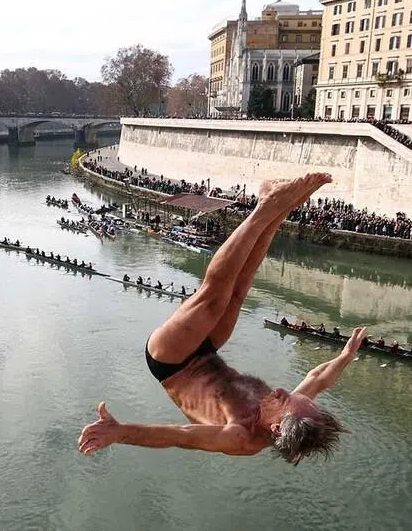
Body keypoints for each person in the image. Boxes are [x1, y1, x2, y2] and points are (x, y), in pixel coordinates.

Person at [79, 173, 363, 465]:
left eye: (284, 400)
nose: (281, 391)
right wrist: (346, 355)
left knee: (214, 298)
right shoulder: (294, 413)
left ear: (277, 429)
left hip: (172, 362)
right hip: (208, 352)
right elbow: (318, 379)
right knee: (239, 291)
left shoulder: (239, 437)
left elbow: (179, 435)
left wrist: (120, 432)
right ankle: (279, 208)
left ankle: (266, 206)